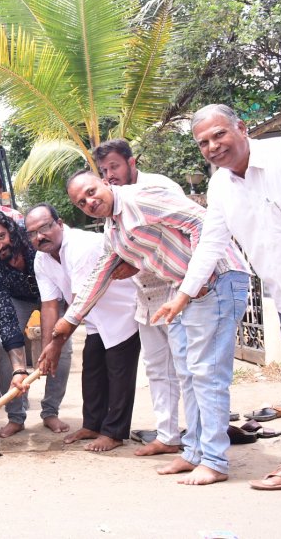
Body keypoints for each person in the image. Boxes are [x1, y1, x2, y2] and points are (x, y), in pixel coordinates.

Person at [37, 170, 249, 486]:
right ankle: (193, 453)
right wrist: (66, 324)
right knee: (189, 375)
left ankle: (215, 461)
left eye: (92, 192)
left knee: (206, 375)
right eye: (82, 202)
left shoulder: (141, 197)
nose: (90, 201)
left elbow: (201, 222)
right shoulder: (113, 232)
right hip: (184, 292)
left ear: (106, 184)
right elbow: (100, 276)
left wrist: (196, 279)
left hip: (217, 279)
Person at [151, 104, 281, 496]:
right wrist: (183, 297)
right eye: (203, 142)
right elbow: (211, 245)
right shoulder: (220, 186)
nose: (213, 146)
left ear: (242, 128)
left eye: (219, 134)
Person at [93, 138, 186, 456]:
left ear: (132, 163)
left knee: (188, 369)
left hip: (179, 290)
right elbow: (110, 259)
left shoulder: (158, 187)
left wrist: (136, 262)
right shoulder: (110, 208)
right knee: (158, 369)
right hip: (145, 297)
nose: (110, 175)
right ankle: (168, 436)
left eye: (115, 166)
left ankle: (204, 440)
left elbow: (183, 234)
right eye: (104, 170)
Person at [25, 204, 140, 452]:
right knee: (92, 369)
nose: (39, 237)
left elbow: (79, 301)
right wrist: (46, 349)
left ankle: (115, 432)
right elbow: (49, 306)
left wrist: (56, 346)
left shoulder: (80, 246)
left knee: (119, 371)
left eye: (44, 228)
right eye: (32, 233)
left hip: (121, 310)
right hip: (94, 317)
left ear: (60, 222)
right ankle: (93, 424)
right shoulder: (41, 259)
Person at [0, 210, 71, 437]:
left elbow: (52, 298)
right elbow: (6, 318)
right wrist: (19, 369)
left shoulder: (33, 243)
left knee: (61, 349)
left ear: (11, 232)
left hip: (53, 296)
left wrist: (51, 342)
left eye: (1, 237)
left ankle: (50, 412)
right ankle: (16, 417)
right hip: (19, 300)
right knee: (2, 346)